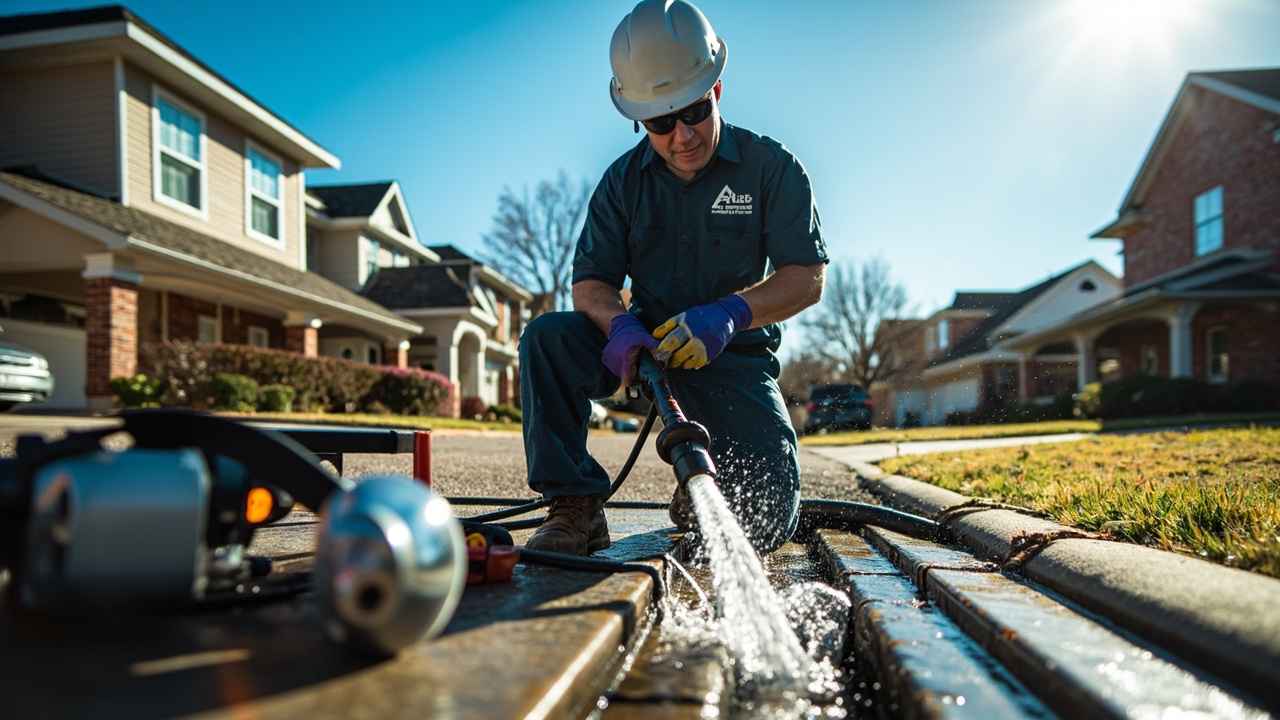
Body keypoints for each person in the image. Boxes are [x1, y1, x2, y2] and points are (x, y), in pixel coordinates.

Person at [519, 0, 827, 556]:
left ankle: (704, 489)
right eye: (661, 123)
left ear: (716, 92)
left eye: (692, 112)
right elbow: (590, 283)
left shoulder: (771, 169)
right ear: (640, 119)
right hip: (640, 354)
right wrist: (618, 327)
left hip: (730, 359)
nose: (681, 135)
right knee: (547, 339)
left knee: (765, 521)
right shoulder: (621, 183)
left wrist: (730, 314)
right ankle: (575, 507)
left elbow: (806, 277)